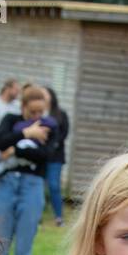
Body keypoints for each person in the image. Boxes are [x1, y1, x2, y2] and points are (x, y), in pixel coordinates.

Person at [0, 85, 59, 255]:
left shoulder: (50, 126)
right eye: (32, 112)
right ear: (22, 106)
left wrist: (15, 151)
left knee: (24, 250)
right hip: (7, 184)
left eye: (41, 112)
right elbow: (0, 142)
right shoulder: (11, 121)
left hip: (32, 186)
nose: (37, 116)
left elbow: (45, 155)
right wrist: (26, 133)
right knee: (0, 247)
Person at [43, 86, 70, 226]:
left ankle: (58, 217)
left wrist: (53, 144)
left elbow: (65, 132)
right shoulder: (40, 113)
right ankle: (37, 217)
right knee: (40, 186)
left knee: (54, 186)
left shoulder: (60, 114)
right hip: (40, 156)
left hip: (56, 156)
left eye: (45, 94)